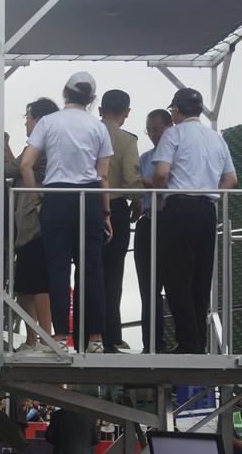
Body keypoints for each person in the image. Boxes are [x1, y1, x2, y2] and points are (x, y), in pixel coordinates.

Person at [20, 72, 113, 353]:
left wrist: (37, 199)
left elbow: (26, 165)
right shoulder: (98, 127)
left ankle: (60, 335)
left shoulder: (48, 122)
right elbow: (104, 175)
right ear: (92, 99)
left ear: (65, 92)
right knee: (91, 269)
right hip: (90, 197)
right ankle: (95, 338)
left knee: (58, 269)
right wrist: (106, 213)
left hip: (56, 197)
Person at [152, 88, 238, 354]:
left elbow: (162, 172)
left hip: (179, 207)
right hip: (207, 209)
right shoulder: (216, 138)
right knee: (201, 280)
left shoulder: (173, 134)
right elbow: (231, 180)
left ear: (176, 111)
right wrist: (213, 199)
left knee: (177, 278)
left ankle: (188, 341)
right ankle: (198, 340)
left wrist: (158, 196)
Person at [1, 98, 60, 352]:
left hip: (34, 222)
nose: (26, 122)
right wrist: (5, 147)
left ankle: (43, 337)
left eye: (27, 117)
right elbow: (19, 167)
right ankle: (34, 338)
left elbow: (10, 169)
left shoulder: (42, 143)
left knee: (37, 282)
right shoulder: (52, 143)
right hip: (31, 223)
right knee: (27, 282)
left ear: (37, 118)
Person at [98, 90, 142, 352]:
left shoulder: (88, 133)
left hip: (84, 206)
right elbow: (132, 181)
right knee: (113, 275)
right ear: (126, 113)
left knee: (86, 271)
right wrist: (137, 200)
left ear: (100, 110)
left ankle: (85, 332)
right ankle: (111, 334)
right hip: (116, 207)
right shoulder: (126, 140)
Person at [135, 109, 174, 353]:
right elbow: (137, 188)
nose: (152, 134)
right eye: (149, 130)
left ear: (169, 127)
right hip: (148, 221)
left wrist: (145, 182)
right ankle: (152, 344)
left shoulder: (177, 155)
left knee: (176, 285)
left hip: (171, 222)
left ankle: (184, 342)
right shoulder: (145, 158)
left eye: (157, 129)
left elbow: (169, 183)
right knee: (148, 289)